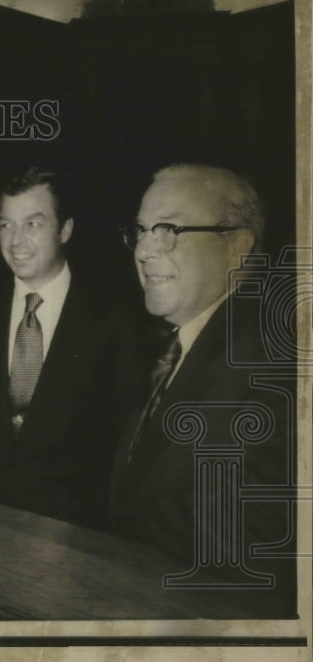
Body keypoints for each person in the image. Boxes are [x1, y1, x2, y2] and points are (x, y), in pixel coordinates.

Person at [110, 164, 295, 616]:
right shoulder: (178, 344)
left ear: (236, 247)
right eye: (140, 230)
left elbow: (265, 534)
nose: (144, 250)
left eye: (168, 229)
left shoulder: (274, 358)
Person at [0, 167, 123, 527]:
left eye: (33, 224)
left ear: (66, 229)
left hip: (72, 539)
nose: (15, 240)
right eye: (6, 224)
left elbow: (116, 453)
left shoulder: (114, 322)